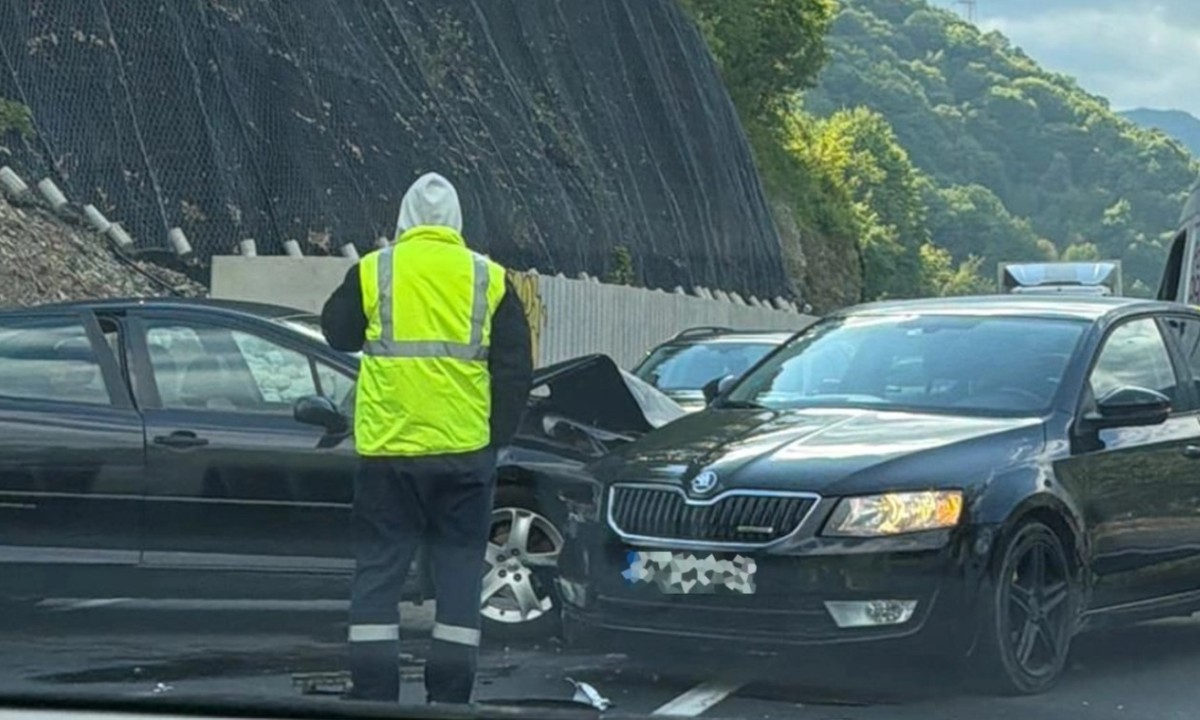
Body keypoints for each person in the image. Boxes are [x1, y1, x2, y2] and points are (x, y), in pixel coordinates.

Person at [320, 172, 533, 704]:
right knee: (459, 580)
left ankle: (374, 696)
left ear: (404, 218)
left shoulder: (376, 270)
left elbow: (336, 333)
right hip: (463, 458)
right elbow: (515, 372)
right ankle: (451, 699)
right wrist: (493, 441)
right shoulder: (490, 278)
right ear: (457, 222)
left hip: (388, 455)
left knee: (377, 577)